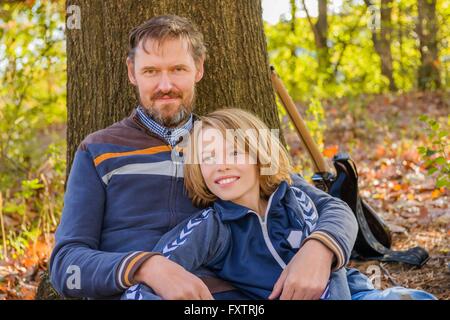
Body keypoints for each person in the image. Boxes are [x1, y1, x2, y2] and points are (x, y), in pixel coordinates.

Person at [49, 15, 359, 300]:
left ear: (199, 68)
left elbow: (328, 206)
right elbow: (66, 265)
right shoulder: (98, 149)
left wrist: (318, 249)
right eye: (151, 71)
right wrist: (148, 267)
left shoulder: (228, 139)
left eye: (178, 69)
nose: (165, 85)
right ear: (132, 73)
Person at [123, 109, 437, 300]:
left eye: (234, 153)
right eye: (207, 157)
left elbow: (336, 236)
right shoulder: (210, 227)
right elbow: (157, 272)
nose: (220, 165)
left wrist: (319, 248)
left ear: (261, 156)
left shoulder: (293, 197)